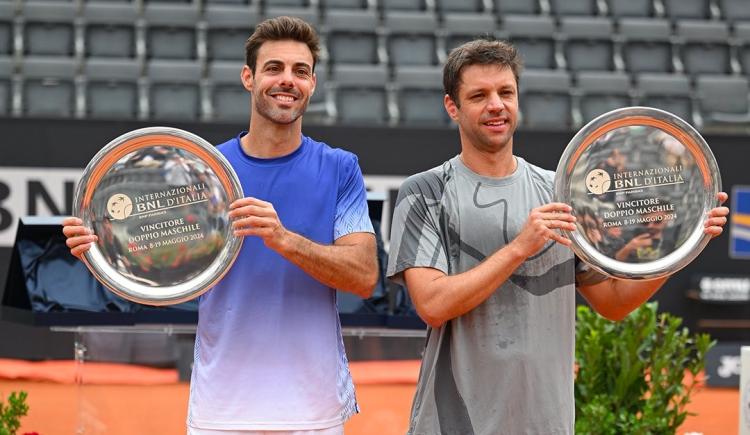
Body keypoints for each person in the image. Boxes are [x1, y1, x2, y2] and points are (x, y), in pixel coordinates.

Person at [385, 38, 729, 435]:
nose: (496, 105)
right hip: (452, 423)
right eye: (479, 95)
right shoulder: (425, 192)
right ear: (452, 107)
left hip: (546, 423)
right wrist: (519, 247)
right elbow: (432, 304)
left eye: (506, 92)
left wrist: (682, 244)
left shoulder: (561, 192)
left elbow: (613, 304)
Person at [62, 16, 378, 435]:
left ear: (313, 84)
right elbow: (158, 265)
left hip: (312, 410)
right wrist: (103, 249)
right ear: (248, 78)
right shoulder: (204, 170)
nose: (288, 80)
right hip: (221, 409)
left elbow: (363, 276)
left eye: (300, 71)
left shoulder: (341, 168)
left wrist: (284, 240)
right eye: (273, 68)